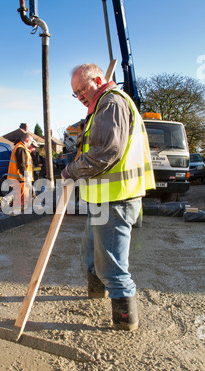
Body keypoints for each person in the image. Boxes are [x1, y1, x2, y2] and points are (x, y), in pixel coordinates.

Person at [61, 63, 155, 331]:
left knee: (111, 265)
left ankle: (125, 321)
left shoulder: (111, 103)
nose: (79, 95)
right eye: (75, 92)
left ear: (99, 79)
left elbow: (105, 152)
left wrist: (71, 170)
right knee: (90, 254)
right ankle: (96, 295)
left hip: (116, 198)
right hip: (101, 197)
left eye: (82, 88)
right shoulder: (98, 106)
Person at [7, 132, 36, 211]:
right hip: (20, 178)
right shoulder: (20, 148)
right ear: (27, 140)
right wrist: (26, 177)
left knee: (19, 198)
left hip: (20, 178)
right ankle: (19, 213)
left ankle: (17, 212)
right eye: (31, 141)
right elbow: (22, 165)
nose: (31, 143)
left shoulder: (20, 148)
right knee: (21, 200)